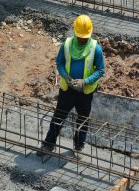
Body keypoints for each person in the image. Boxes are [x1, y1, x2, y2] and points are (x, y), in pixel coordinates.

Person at [37, 14, 105, 160]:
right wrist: (65, 76)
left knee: (83, 120)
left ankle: (79, 146)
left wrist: (85, 81)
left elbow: (101, 70)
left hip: (84, 92)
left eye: (84, 37)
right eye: (80, 36)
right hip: (67, 90)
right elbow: (59, 63)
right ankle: (49, 143)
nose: (82, 39)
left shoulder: (95, 48)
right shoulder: (67, 45)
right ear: (75, 32)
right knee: (58, 116)